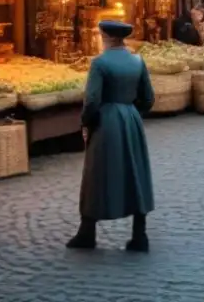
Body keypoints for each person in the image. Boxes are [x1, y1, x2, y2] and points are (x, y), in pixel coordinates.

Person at [67, 21, 155, 252]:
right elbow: (148, 97)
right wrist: (132, 112)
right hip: (131, 118)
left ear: (105, 36)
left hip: (106, 122)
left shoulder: (100, 63)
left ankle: (87, 232)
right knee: (136, 171)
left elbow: (92, 99)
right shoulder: (137, 61)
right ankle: (140, 233)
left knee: (97, 173)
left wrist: (86, 122)